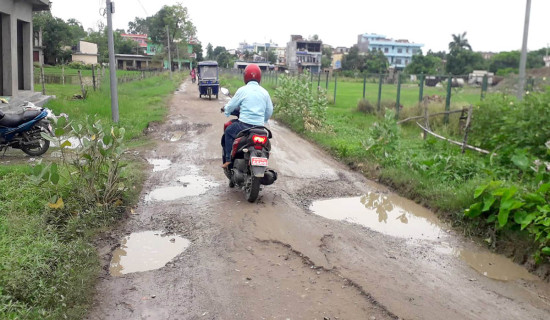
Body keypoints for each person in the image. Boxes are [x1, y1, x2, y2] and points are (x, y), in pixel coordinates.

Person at [221, 64, 273, 168]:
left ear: (245, 76)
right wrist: (263, 120)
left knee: (228, 131)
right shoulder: (265, 92)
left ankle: (228, 160)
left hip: (243, 126)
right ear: (259, 77)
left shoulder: (242, 90)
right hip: (259, 127)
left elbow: (231, 105)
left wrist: (226, 110)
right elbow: (269, 111)